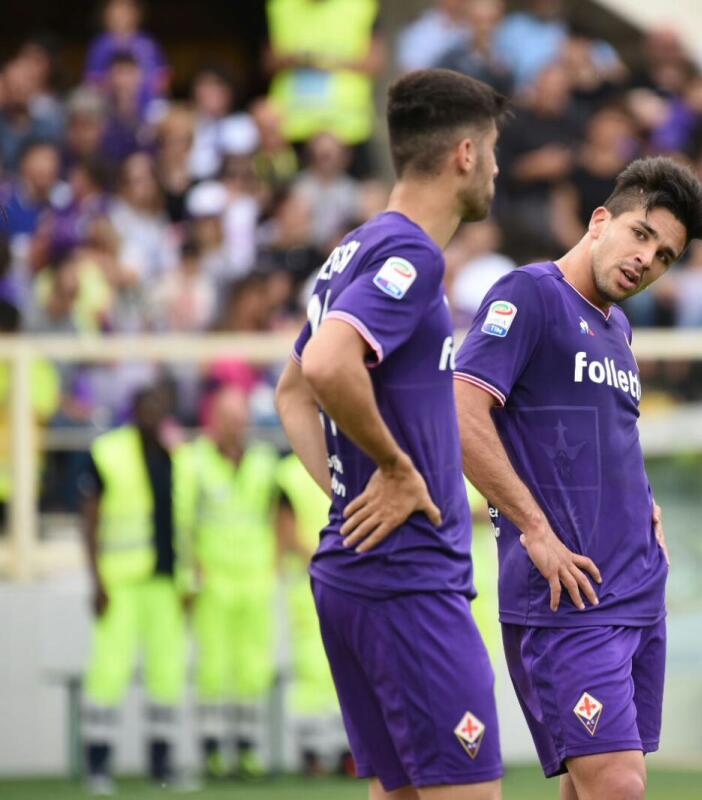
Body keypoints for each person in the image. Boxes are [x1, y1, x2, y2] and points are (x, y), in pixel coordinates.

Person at [273, 68, 508, 800]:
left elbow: (291, 394)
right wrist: (396, 470)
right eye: (495, 150)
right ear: (466, 153)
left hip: (360, 571)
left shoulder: (351, 249)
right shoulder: (413, 255)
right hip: (407, 582)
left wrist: (350, 496)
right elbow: (323, 365)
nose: (498, 167)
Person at [453, 157, 702, 799]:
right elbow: (461, 413)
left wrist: (649, 507)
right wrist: (536, 532)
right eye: (640, 234)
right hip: (568, 596)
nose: (646, 261)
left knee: (591, 786)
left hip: (635, 591)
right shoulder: (531, 295)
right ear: (600, 220)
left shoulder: (618, 327)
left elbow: (611, 437)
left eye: (664, 257)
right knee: (620, 784)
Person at [79, 385, 187, 794]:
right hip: (121, 582)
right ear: (134, 409)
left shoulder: (175, 455)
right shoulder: (109, 451)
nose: (153, 412)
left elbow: (183, 523)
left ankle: (162, 766)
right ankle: (98, 766)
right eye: (147, 406)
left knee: (166, 676)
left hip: (164, 583)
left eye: (160, 406)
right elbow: (89, 520)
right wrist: (97, 580)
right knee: (109, 673)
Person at [176, 385, 280, 779]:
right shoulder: (194, 461)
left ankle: (248, 751)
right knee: (213, 667)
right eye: (230, 419)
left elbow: (274, 514)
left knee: (253, 666)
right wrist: (189, 577)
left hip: (255, 580)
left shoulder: (264, 461)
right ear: (213, 421)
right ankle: (213, 752)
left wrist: (273, 566)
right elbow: (184, 523)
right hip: (214, 581)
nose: (238, 426)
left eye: (242, 419)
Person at [276, 452, 345, 777]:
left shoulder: (350, 462)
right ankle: (311, 752)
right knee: (312, 669)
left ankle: (348, 751)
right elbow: (285, 533)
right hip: (310, 584)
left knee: (348, 668)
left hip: (345, 580)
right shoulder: (288, 472)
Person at [264, 0, 384, 175]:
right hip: (294, 126)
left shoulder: (362, 6)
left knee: (369, 194)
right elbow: (268, 62)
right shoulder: (280, 6)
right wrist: (297, 59)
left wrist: (329, 61)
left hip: (349, 127)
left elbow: (375, 62)